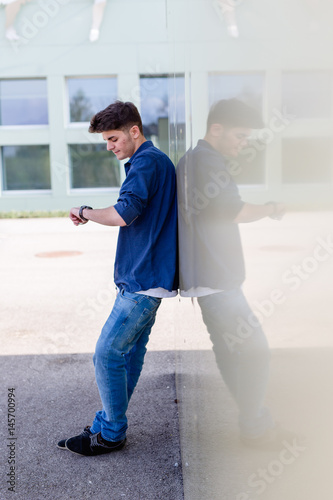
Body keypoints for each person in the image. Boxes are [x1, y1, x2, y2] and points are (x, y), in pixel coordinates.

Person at [58, 100, 178, 456]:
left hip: (142, 282)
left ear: (134, 131)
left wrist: (85, 211)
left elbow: (124, 214)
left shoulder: (144, 162)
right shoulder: (151, 161)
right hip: (146, 278)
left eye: (113, 139)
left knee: (107, 353)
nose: (110, 147)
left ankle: (111, 432)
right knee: (127, 356)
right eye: (107, 141)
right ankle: (106, 422)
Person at [177, 98, 293, 450]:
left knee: (229, 351)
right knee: (255, 351)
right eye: (240, 136)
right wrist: (273, 208)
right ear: (217, 129)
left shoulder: (193, 159)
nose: (243, 144)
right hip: (218, 280)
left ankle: (253, 422)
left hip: (207, 277)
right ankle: (255, 426)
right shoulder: (209, 161)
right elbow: (234, 210)